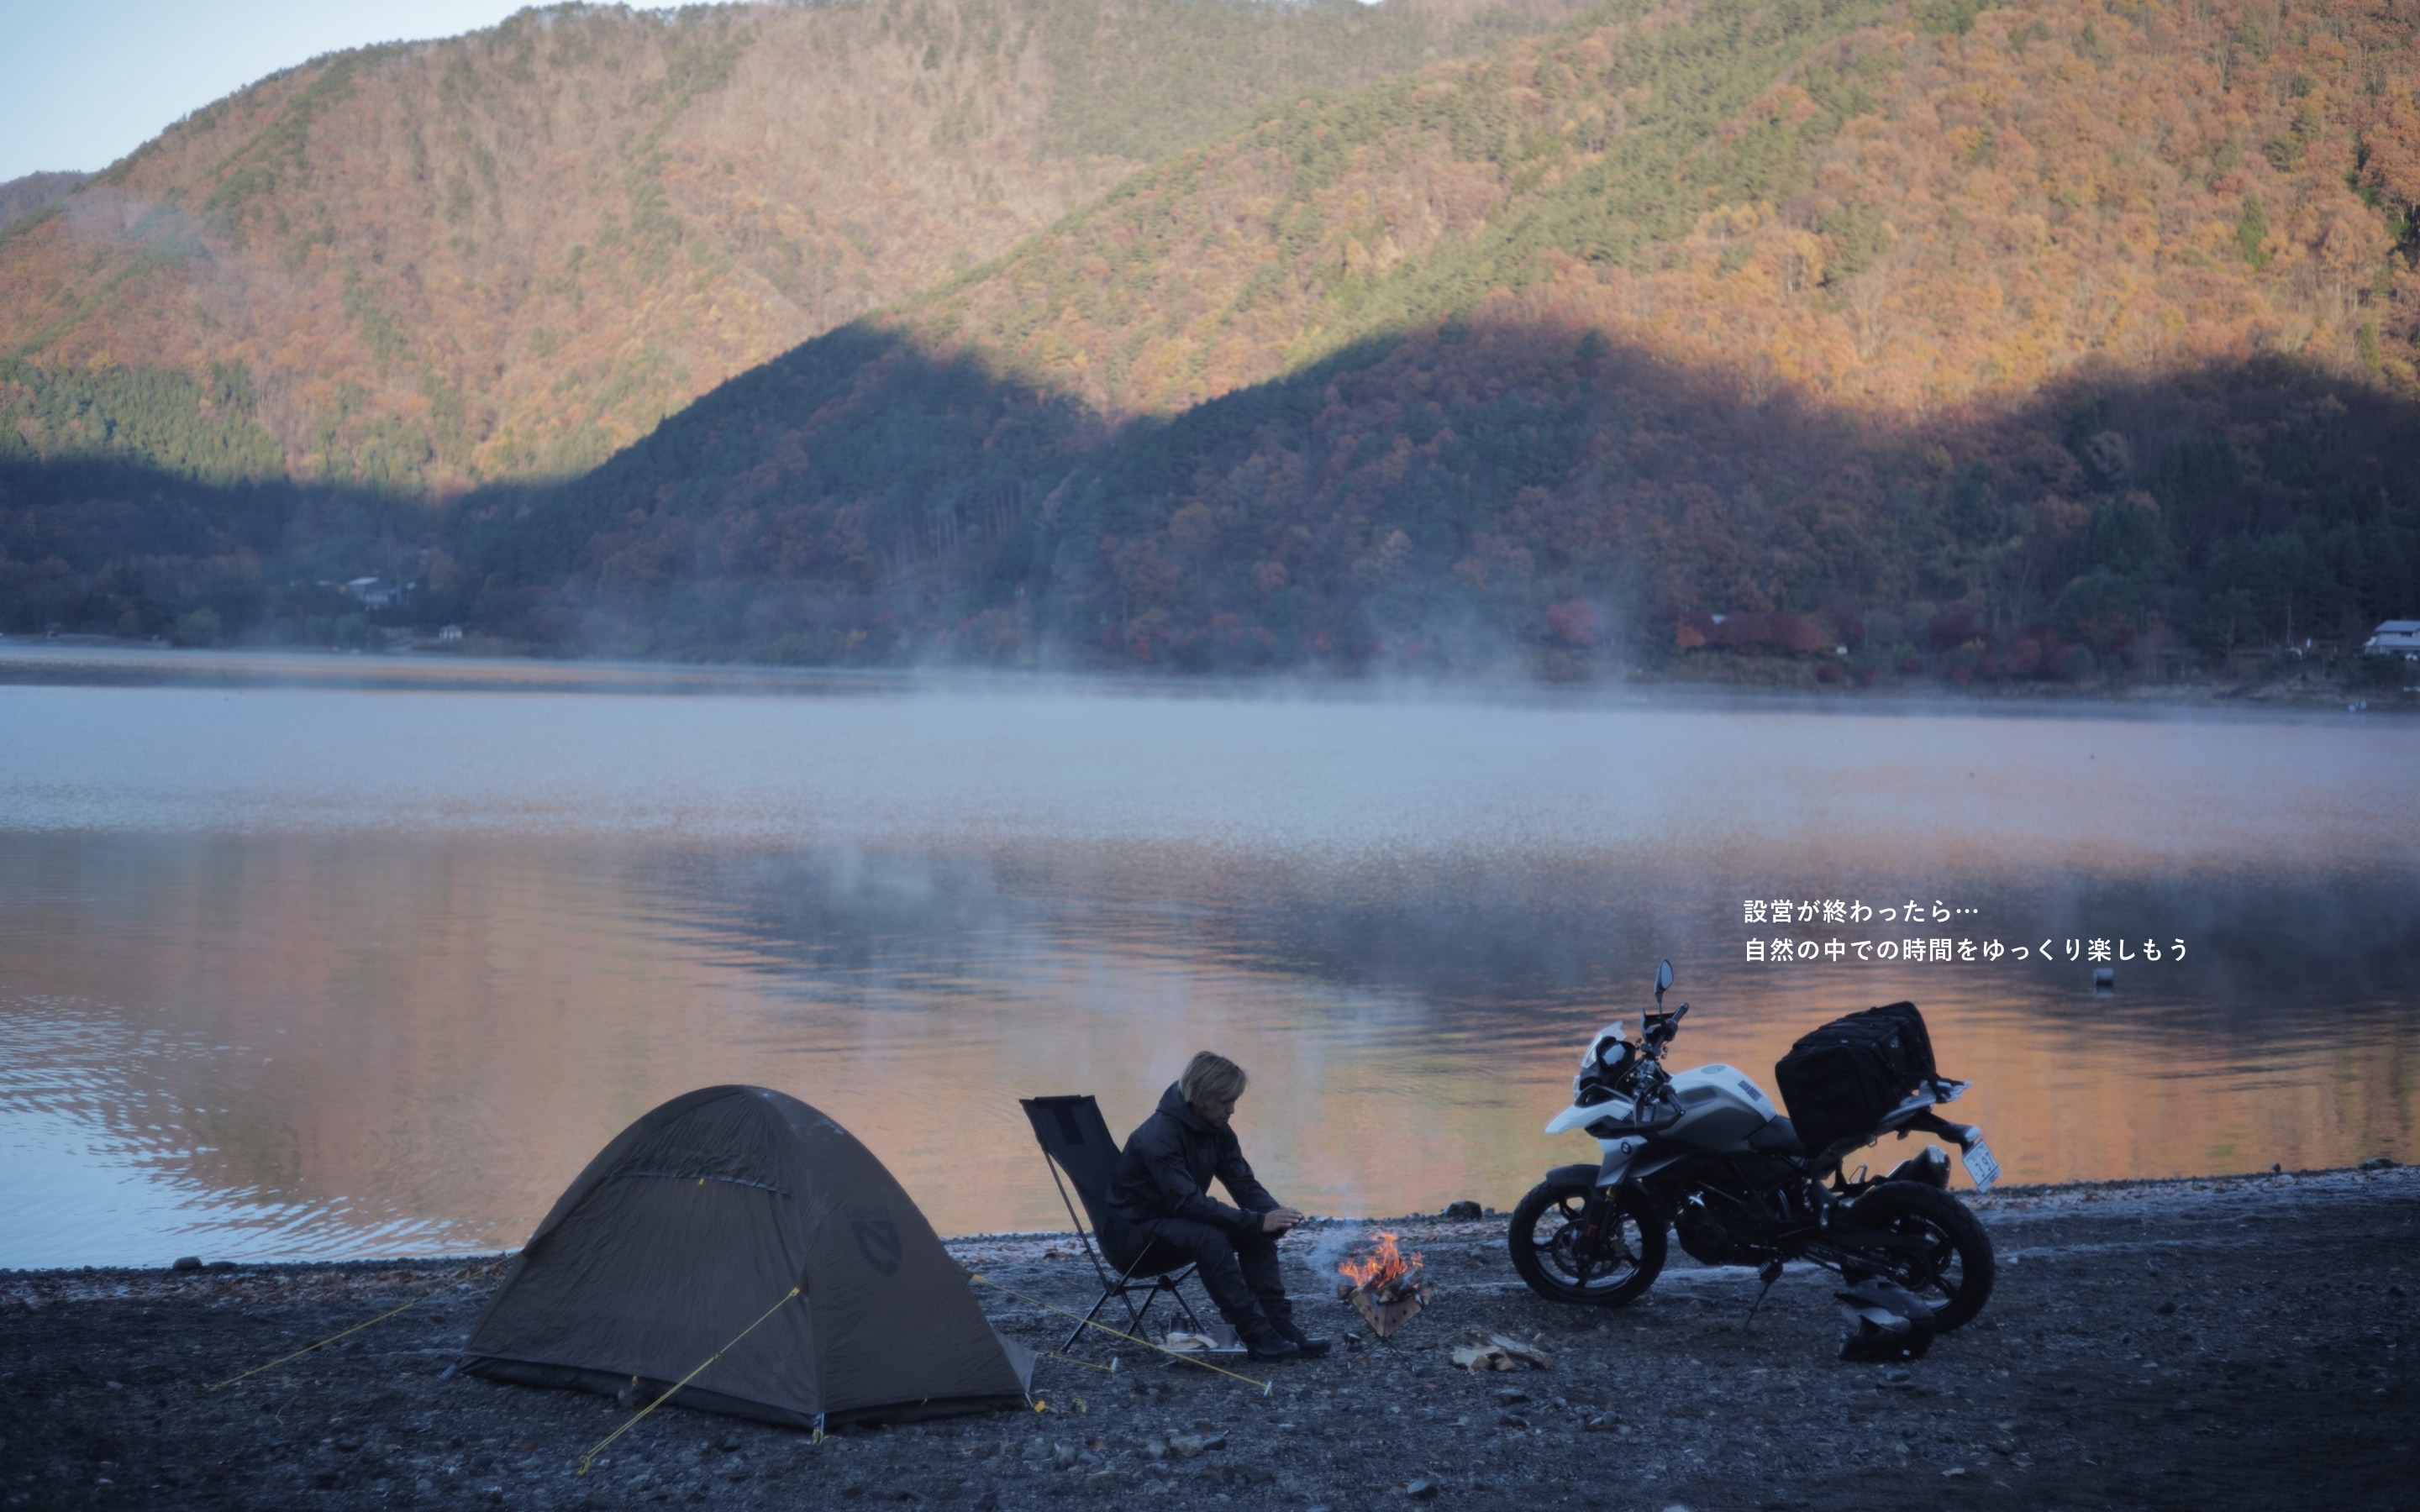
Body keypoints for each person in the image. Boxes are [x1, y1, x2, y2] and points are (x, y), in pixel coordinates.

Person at [1107, 1051, 1331, 1362]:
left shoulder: (1217, 1129)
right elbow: (1187, 1201)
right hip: (1136, 1236)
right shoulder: (1159, 1137)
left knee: (1255, 1229)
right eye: (1225, 1101)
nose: (1232, 1109)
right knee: (1212, 1236)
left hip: (1178, 1221)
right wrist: (1256, 1221)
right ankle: (1258, 1337)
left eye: (1234, 1100)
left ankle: (1279, 1327)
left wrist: (1272, 1215)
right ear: (1201, 1096)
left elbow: (1244, 1184)